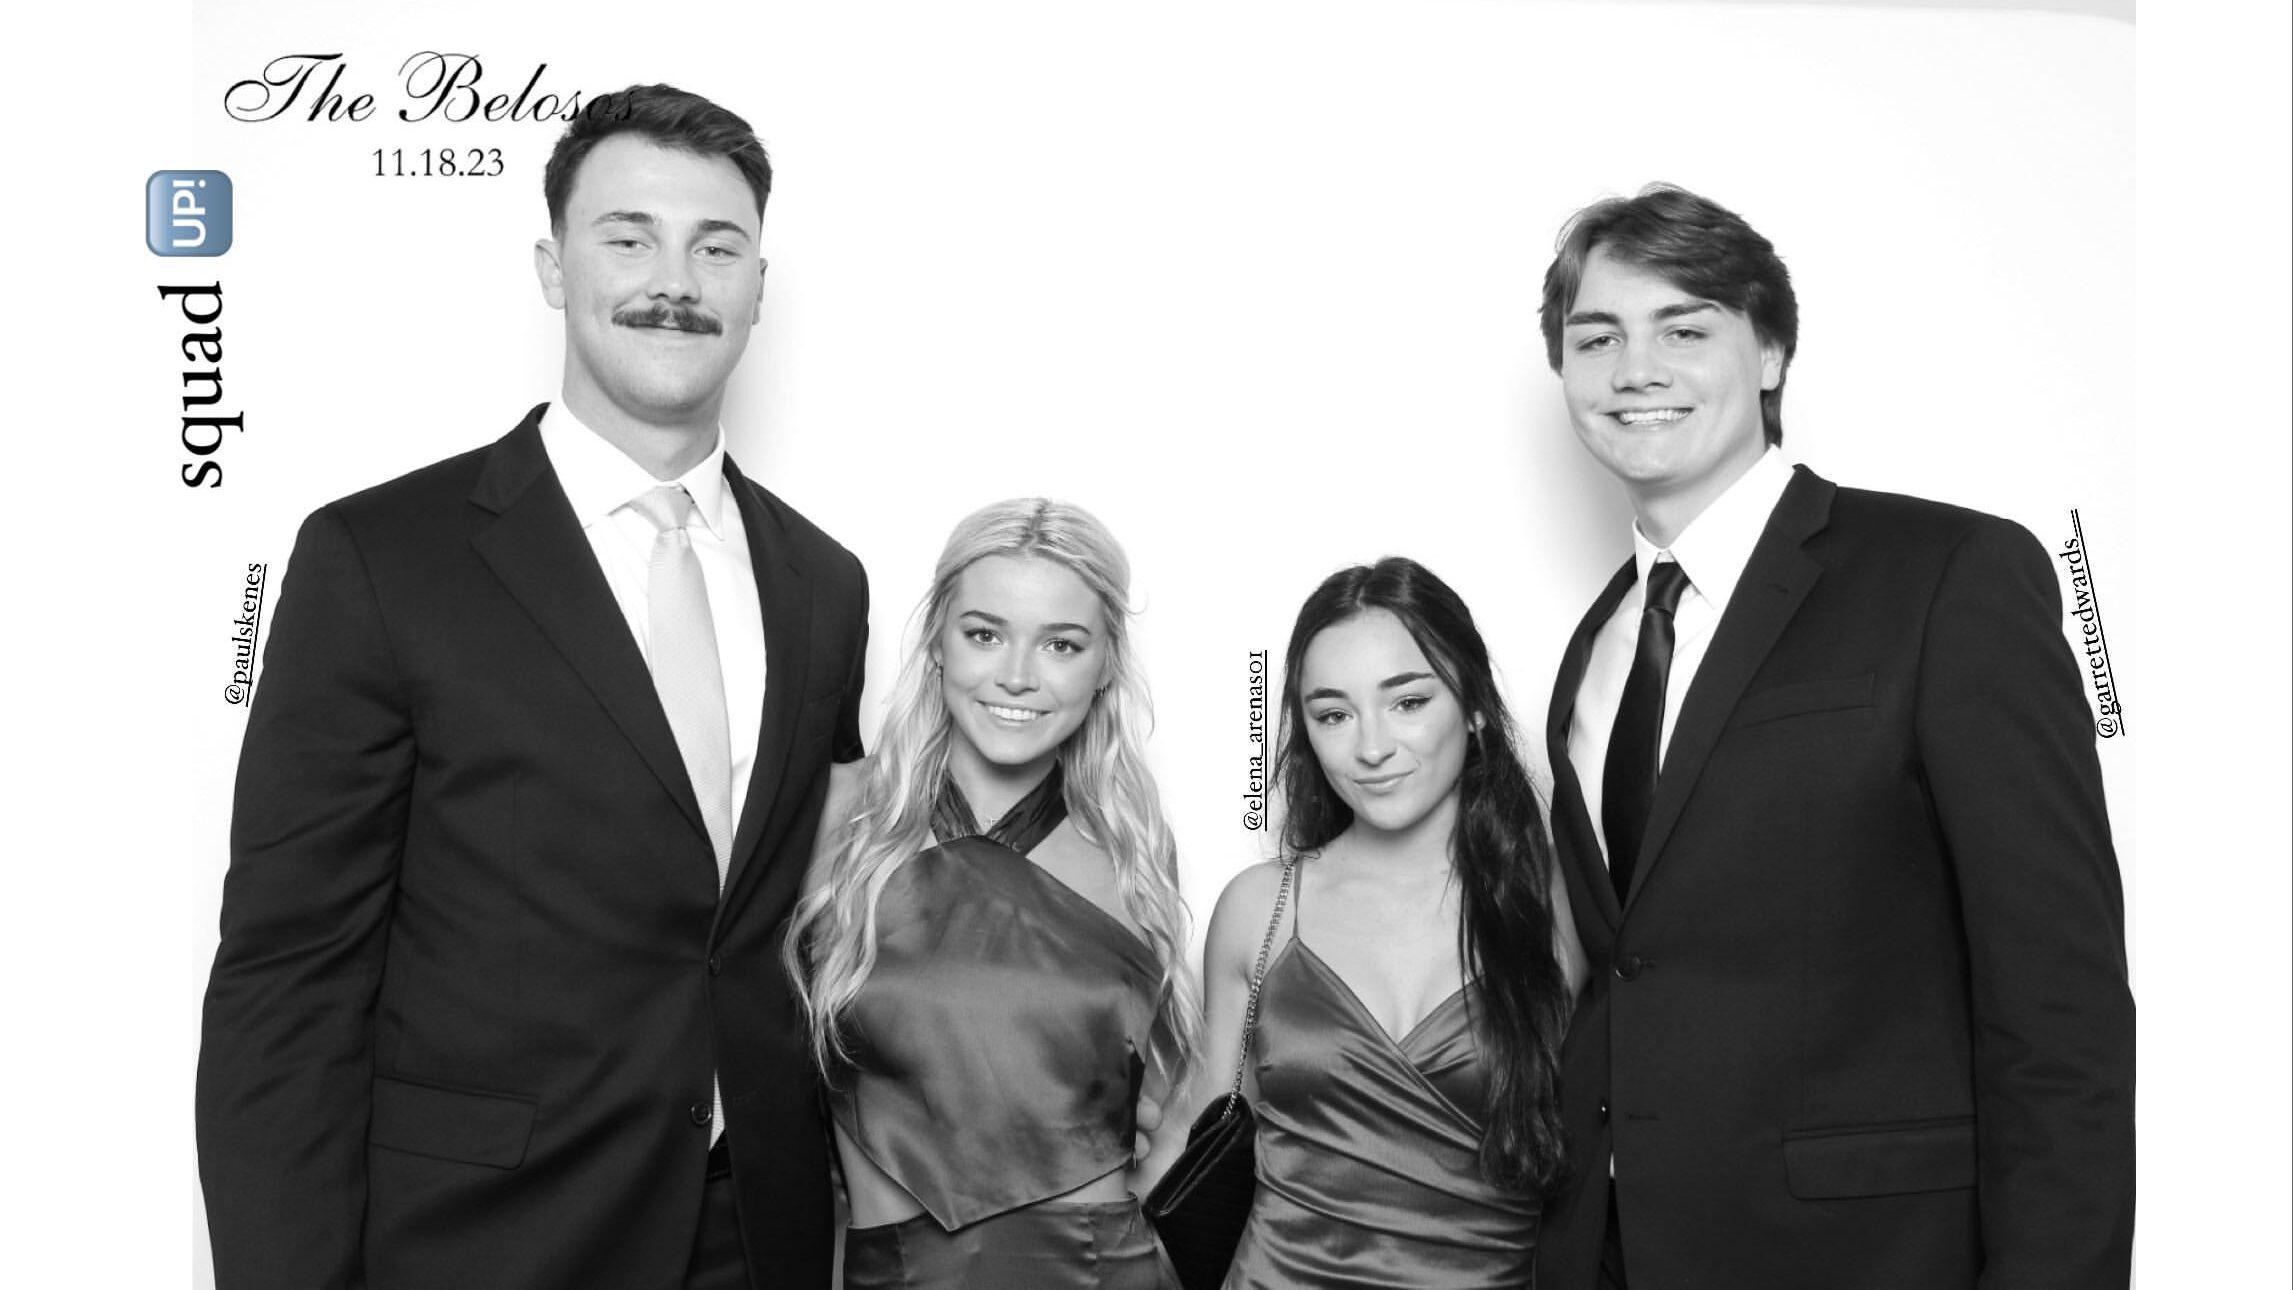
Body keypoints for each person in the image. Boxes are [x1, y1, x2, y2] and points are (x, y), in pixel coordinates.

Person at [195, 85, 868, 1290]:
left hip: (750, 1235)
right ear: (554, 268)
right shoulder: (383, 558)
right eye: (629, 238)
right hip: (481, 1241)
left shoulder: (824, 584)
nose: (677, 280)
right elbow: (288, 975)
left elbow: (771, 933)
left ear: (759, 287)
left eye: (718, 248)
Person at [1530, 184, 2134, 1289]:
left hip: (1862, 1255)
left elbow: (2059, 1001)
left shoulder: (1948, 577)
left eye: (1684, 328)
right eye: (1597, 337)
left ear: (1767, 355)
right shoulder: (1596, 643)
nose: (1635, 369)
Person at [788, 498, 1196, 1289]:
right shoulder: (839, 817)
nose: (1017, 675)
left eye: (1061, 644)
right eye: (984, 634)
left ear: (1106, 662)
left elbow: (1169, 1108)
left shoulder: (1133, 847)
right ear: (937, 639)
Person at [1200, 557, 1584, 1289]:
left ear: (1473, 706)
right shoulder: (1260, 907)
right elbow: (1196, 1153)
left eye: (1406, 702)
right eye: (1332, 714)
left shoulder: (1555, 909)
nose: (1370, 748)